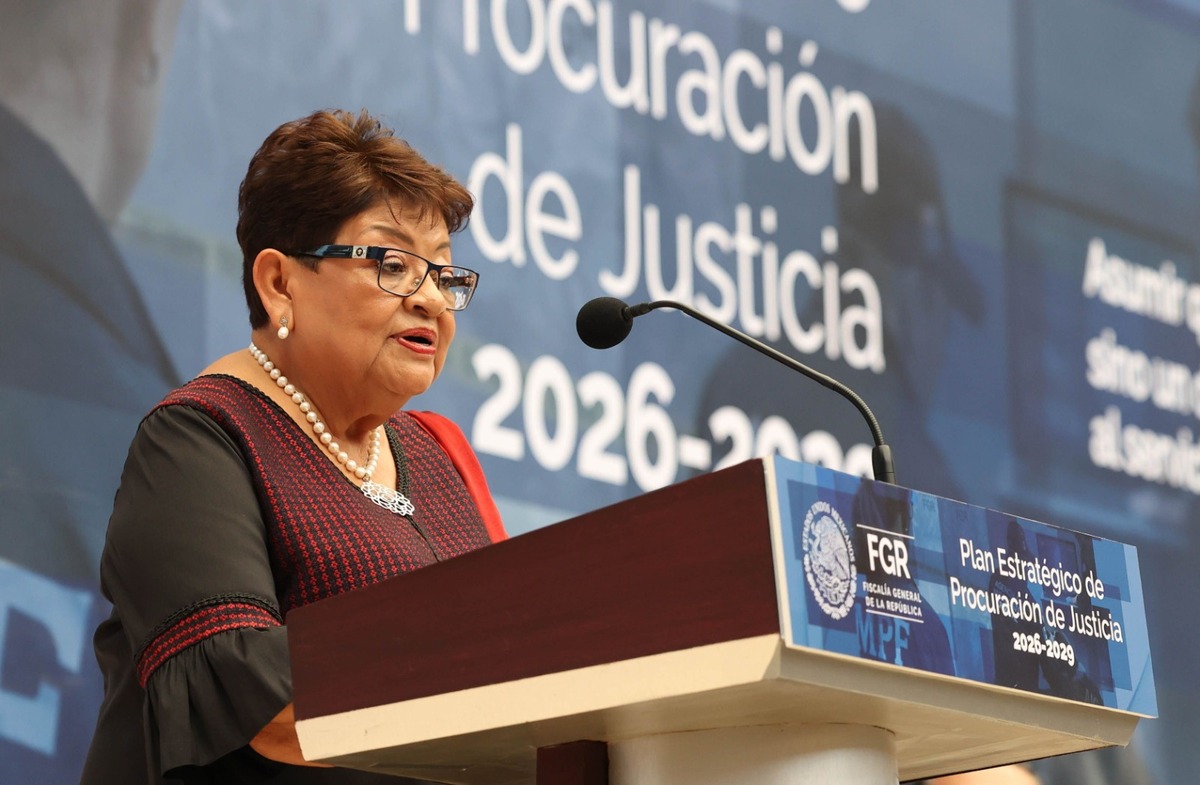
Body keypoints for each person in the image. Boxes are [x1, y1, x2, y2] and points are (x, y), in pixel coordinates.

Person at [80, 108, 507, 784]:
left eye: (445, 276)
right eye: (394, 263)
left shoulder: (438, 454)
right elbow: (253, 698)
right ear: (279, 282)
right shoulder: (200, 438)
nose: (432, 301)